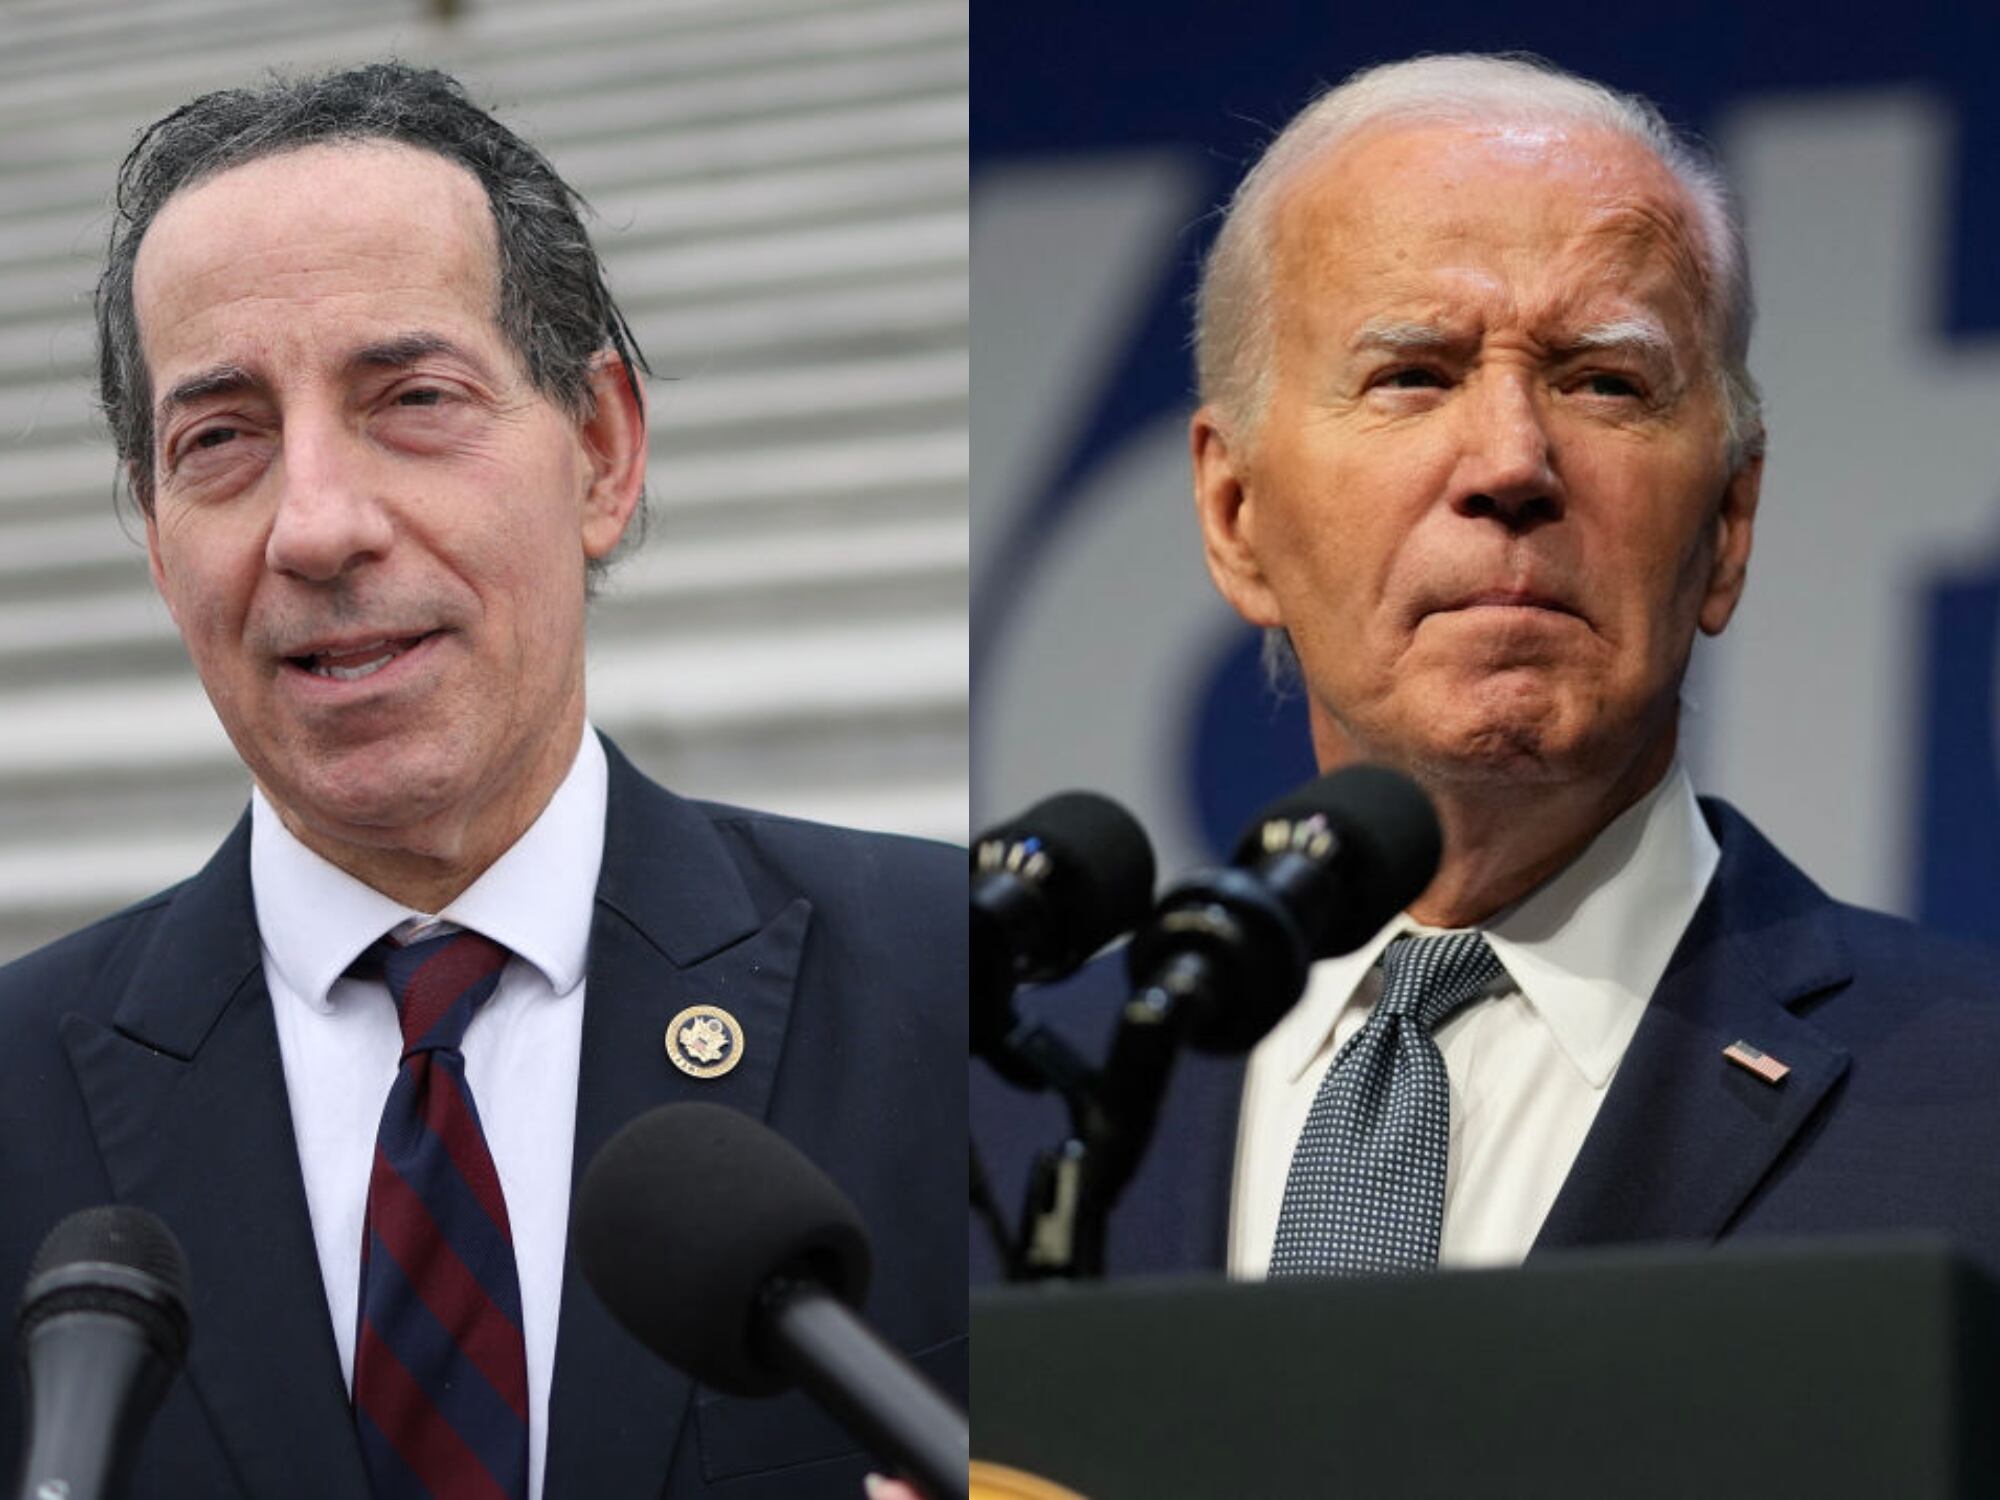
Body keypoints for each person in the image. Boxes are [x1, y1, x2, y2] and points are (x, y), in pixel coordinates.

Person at [0, 64, 963, 1499]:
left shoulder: (950, 987)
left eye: (413, 399)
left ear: (600, 451)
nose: (317, 526)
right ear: (157, 538)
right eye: (222, 440)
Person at [972, 52, 2000, 1282]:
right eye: (1410, 376)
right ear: (1233, 514)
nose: (1510, 461)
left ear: (1726, 526)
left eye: (1604, 383)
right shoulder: (1000, 1112)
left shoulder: (1968, 1092)